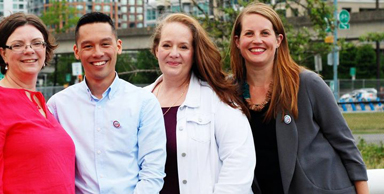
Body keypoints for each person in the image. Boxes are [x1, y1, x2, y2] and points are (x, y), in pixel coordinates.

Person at [230, 2, 368, 194]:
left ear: (278, 40)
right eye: (249, 33)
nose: (257, 40)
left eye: (265, 33)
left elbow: (346, 145)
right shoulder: (229, 92)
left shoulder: (307, 83)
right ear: (237, 41)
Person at [47, 12, 167, 193]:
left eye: (105, 44)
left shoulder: (144, 102)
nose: (98, 53)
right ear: (77, 51)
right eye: (88, 46)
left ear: (118, 46)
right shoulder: (58, 106)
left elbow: (152, 172)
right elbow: (52, 165)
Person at [144, 13, 256, 194]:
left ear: (194, 53)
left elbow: (239, 163)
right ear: (156, 49)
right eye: (166, 45)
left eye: (183, 47)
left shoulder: (218, 100)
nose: (174, 53)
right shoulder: (139, 101)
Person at [0, 13, 75, 193]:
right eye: (18, 45)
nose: (29, 50)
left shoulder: (43, 105)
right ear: (3, 53)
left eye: (37, 43)